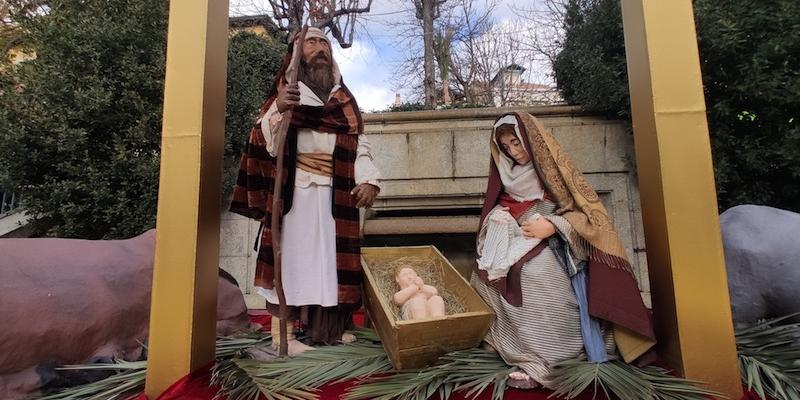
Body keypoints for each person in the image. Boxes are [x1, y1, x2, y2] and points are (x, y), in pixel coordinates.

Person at [470, 112, 656, 388]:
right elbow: (501, 207)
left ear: (531, 140)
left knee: (535, 274)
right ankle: (513, 350)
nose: (514, 152)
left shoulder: (556, 171)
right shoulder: (507, 175)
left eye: (517, 143)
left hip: (557, 244)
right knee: (483, 275)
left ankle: (550, 361)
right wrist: (500, 218)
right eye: (506, 147)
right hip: (515, 239)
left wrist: (553, 225)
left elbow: (588, 216)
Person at [230, 27, 381, 356]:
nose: (320, 47)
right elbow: (263, 144)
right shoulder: (286, 96)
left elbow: (361, 147)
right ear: (297, 54)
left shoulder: (344, 102)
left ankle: (327, 331)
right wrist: (279, 110)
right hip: (294, 198)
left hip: (334, 200)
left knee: (330, 265)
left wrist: (369, 180)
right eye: (311, 42)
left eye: (324, 42)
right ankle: (282, 335)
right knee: (292, 262)